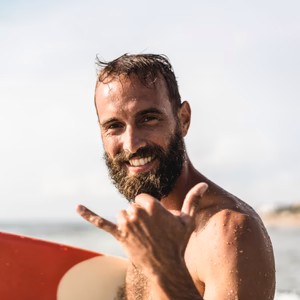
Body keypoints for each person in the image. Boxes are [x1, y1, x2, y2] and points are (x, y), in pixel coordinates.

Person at [77, 54, 275, 300]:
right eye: (114, 126)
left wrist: (167, 270)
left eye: (148, 119)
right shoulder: (147, 225)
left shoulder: (227, 231)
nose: (131, 145)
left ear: (183, 120)